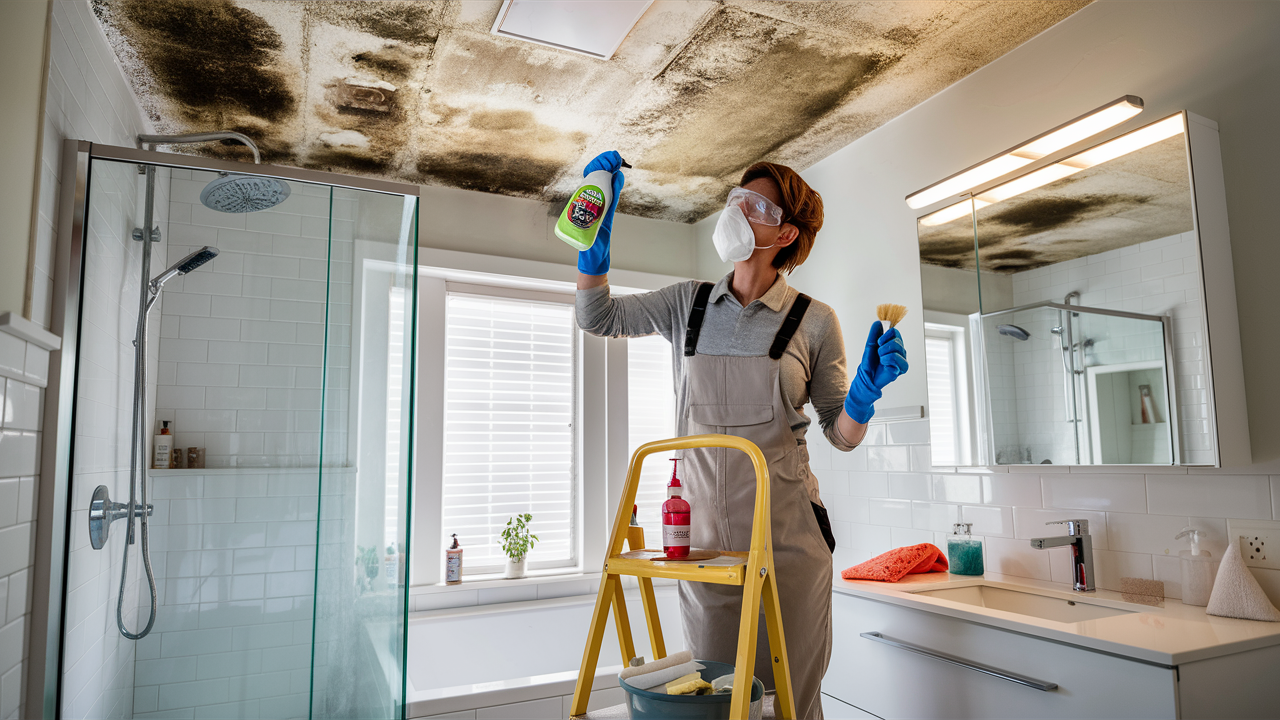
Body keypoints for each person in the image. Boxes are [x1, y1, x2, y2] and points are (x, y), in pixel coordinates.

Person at [574, 151, 907, 719]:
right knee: (712, 700)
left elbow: (841, 435)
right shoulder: (689, 303)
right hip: (703, 546)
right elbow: (598, 317)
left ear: (785, 233)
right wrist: (592, 253)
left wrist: (863, 397)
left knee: (789, 704)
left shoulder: (815, 319)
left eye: (754, 204)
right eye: (735, 197)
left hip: (788, 542)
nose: (734, 208)